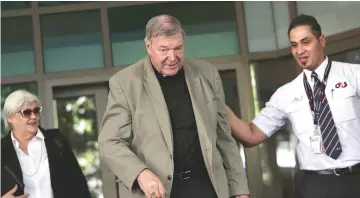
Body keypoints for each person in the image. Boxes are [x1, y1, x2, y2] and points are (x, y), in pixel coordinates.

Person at [98, 14, 249, 198]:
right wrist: (140, 173)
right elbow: (110, 142)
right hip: (157, 193)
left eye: (178, 48)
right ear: (148, 47)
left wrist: (240, 190)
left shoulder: (208, 74)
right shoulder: (124, 83)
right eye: (164, 49)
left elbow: (224, 139)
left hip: (207, 187)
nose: (172, 57)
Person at [226, 14, 360, 198]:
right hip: (315, 185)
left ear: (321, 41)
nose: (300, 50)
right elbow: (251, 135)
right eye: (294, 45)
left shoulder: (353, 75)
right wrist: (218, 108)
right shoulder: (286, 94)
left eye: (305, 42)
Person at [1, 90, 91, 198]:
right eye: (27, 112)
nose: (34, 116)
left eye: (36, 110)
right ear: (10, 117)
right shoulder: (2, 150)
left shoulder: (57, 142)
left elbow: (79, 186)